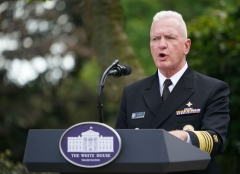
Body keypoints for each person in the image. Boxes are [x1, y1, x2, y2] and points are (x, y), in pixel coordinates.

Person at [115, 10, 230, 174]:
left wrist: (185, 137)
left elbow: (216, 139)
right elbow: (120, 147)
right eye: (155, 38)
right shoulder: (132, 93)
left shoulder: (212, 89)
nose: (161, 44)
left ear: (186, 46)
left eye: (170, 37)